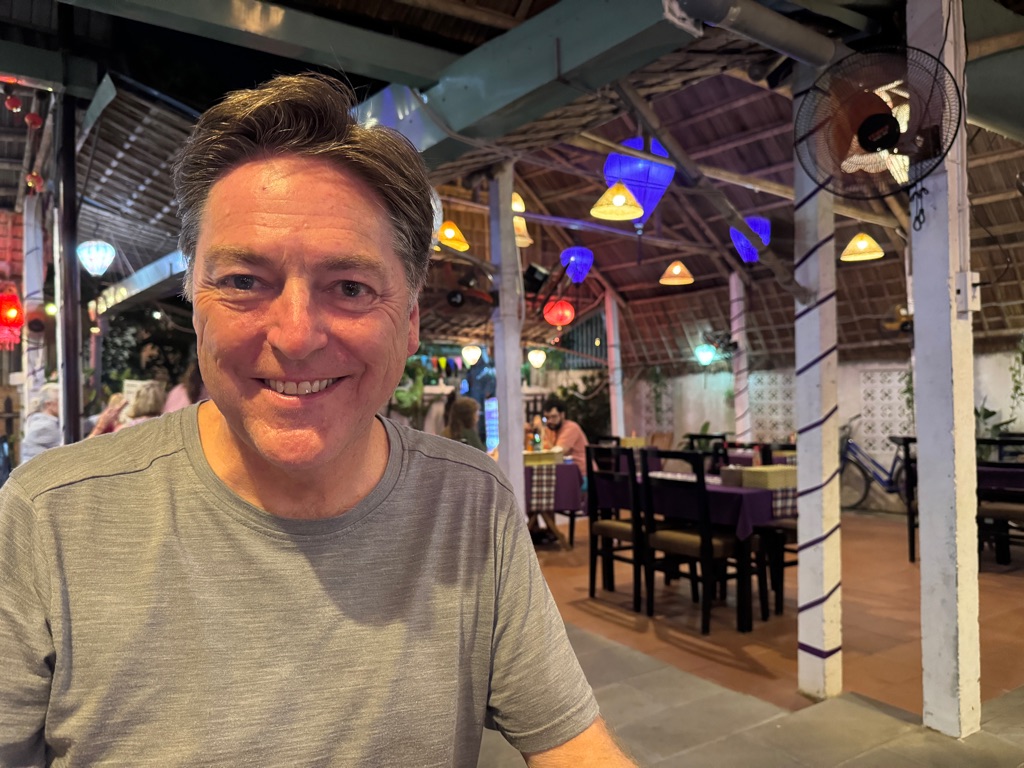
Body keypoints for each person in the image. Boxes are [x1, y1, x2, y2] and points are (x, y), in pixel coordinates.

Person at [0, 73, 634, 766]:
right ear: (195, 306)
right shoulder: (52, 517)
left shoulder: (467, 502)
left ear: (411, 320)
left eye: (351, 287)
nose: (297, 336)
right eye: (244, 282)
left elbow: (575, 746)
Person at [541, 395, 590, 476]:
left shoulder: (571, 428)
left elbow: (557, 452)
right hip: (567, 473)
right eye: (547, 418)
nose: (550, 421)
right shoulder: (552, 429)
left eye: (553, 417)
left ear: (562, 415)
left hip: (582, 475)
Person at [18, 382, 61, 465]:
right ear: (49, 404)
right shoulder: (46, 426)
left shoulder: (41, 421)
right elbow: (72, 449)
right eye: (60, 400)